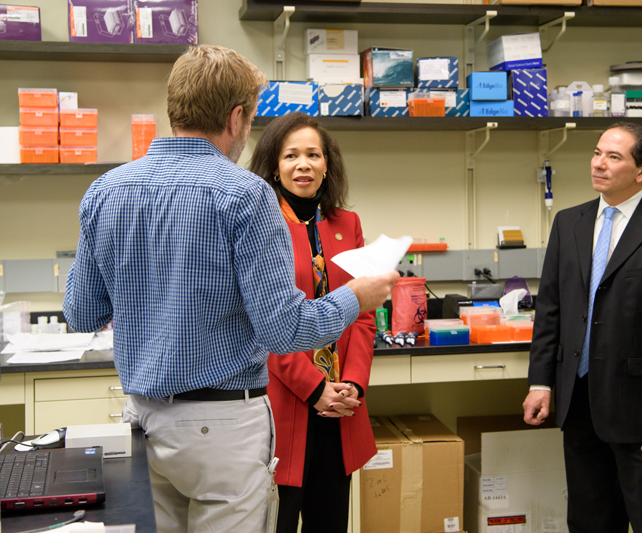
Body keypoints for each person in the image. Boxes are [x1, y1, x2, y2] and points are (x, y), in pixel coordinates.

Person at [63, 45, 398, 533]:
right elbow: (284, 329)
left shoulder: (107, 190)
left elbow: (80, 313)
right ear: (237, 116)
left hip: (143, 421)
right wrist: (358, 297)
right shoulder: (245, 195)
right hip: (222, 429)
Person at [523, 122, 642, 533]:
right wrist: (541, 383)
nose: (598, 164)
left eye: (613, 157)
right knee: (588, 521)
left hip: (640, 409)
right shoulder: (569, 224)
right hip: (578, 399)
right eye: (596, 153)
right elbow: (550, 308)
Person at [249, 112, 375, 533]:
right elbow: (262, 325)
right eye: (291, 155)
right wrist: (315, 388)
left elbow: (363, 313)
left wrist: (352, 385)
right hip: (288, 405)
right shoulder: (262, 227)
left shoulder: (348, 225)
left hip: (341, 410)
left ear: (327, 164)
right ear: (273, 165)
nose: (303, 164)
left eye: (313, 154)